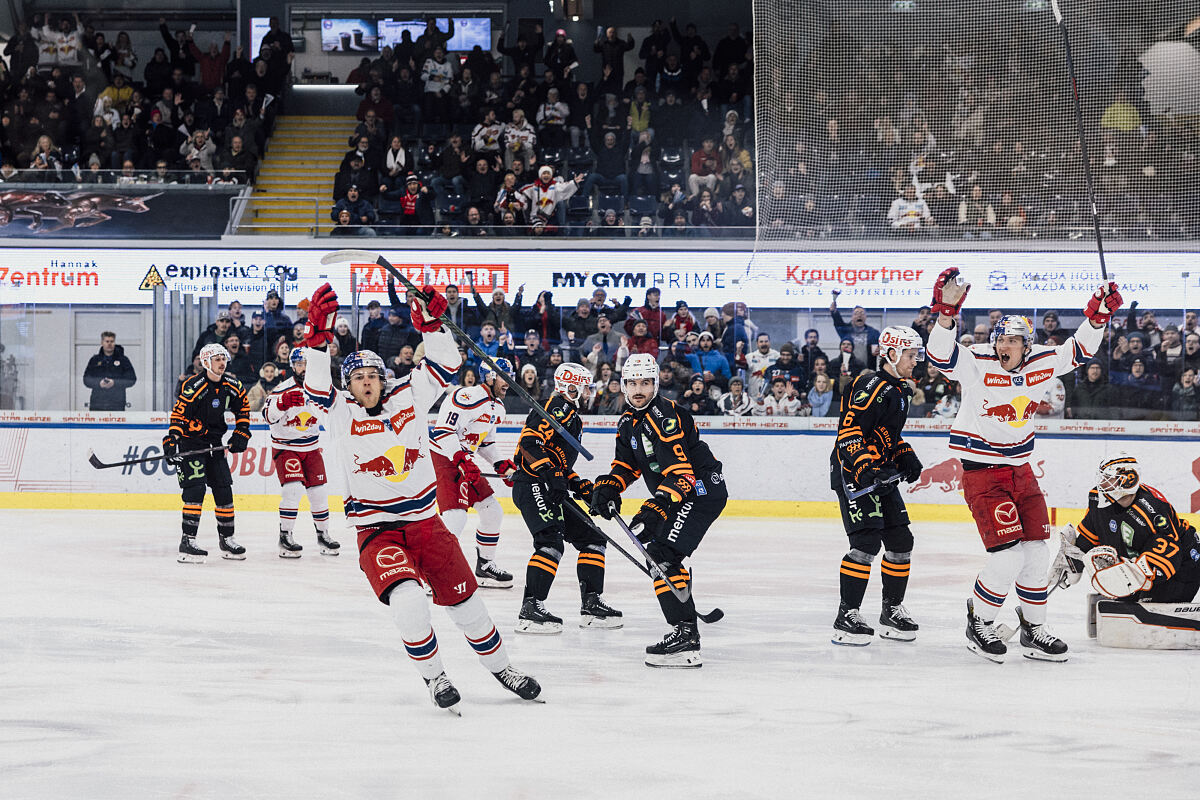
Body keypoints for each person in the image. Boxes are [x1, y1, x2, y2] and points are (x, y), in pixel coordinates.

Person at [297, 282, 540, 713]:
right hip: (377, 531)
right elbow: (316, 388)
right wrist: (316, 342)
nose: (367, 383)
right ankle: (436, 678)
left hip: (427, 522)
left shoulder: (407, 395)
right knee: (408, 600)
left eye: (372, 375)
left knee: (468, 606)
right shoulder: (339, 412)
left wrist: (432, 324)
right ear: (348, 385)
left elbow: (447, 362)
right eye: (357, 378)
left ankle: (504, 668)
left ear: (383, 378)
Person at [925, 268, 1120, 662]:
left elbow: (1079, 350)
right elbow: (940, 355)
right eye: (1002, 339)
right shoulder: (978, 361)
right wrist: (945, 313)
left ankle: (1034, 629)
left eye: (1014, 341)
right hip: (983, 472)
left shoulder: (1043, 361)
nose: (1005, 346)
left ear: (1027, 346)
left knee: (1036, 554)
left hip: (1021, 471)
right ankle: (979, 622)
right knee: (1008, 556)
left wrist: (1098, 316)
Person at [589, 353, 727, 667]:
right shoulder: (627, 420)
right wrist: (609, 485)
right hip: (681, 492)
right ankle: (684, 622)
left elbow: (683, 474)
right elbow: (625, 466)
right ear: (623, 386)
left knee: (661, 557)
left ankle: (685, 637)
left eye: (646, 382)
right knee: (662, 556)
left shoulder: (666, 417)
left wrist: (657, 508)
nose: (639, 389)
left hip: (700, 491)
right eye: (633, 382)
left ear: (656, 383)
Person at [829, 326, 926, 646]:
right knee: (866, 543)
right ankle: (847, 614)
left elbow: (885, 436)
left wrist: (904, 453)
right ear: (893, 354)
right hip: (854, 472)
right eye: (911, 355)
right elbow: (849, 433)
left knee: (901, 540)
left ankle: (891, 610)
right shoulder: (870, 385)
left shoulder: (898, 388)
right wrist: (865, 469)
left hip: (878, 470)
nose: (916, 361)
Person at [511, 361, 623, 633]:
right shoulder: (558, 408)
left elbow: (560, 468)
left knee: (593, 538)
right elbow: (527, 446)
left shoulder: (570, 414)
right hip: (532, 484)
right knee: (550, 542)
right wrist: (550, 472)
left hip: (548, 484)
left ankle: (592, 604)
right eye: (584, 388)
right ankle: (531, 609)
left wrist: (583, 487)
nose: (588, 393)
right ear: (570, 388)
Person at [1055, 453, 1200, 608]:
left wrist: (1137, 574)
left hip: (1183, 568)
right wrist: (1073, 561)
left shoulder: (1152, 510)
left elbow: (1170, 553)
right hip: (1147, 564)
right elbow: (1090, 535)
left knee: (1147, 610)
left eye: (1108, 478)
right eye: (1102, 477)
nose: (1102, 483)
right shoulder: (1099, 500)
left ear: (1128, 480)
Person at [429, 357, 519, 589]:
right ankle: (432, 573)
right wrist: (460, 460)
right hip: (444, 456)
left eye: (511, 375)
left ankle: (485, 566)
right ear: (489, 376)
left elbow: (485, 443)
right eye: (504, 375)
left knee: (492, 511)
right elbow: (443, 431)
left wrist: (500, 464)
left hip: (463, 460)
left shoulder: (497, 407)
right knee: (455, 517)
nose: (510, 380)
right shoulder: (466, 397)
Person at [164, 343, 251, 563]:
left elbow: (243, 407)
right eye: (217, 359)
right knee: (195, 490)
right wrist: (172, 439)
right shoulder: (194, 386)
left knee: (224, 490)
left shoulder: (233, 384)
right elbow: (179, 415)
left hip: (214, 444)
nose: (222, 363)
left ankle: (227, 539)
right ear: (206, 363)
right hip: (191, 444)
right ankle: (188, 541)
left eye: (224, 359)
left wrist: (241, 432)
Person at [261, 348, 338, 559]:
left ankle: (323, 535)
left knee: (319, 493)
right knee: (293, 490)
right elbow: (266, 415)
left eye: (307, 363)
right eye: (299, 364)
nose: (304, 368)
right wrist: (281, 403)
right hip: (286, 447)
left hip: (312, 447)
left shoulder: (319, 389)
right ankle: (285, 535)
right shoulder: (281, 389)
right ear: (293, 366)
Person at [83, 331, 137, 411]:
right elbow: (86, 379)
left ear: (114, 342)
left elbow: (132, 379)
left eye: (112, 341)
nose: (109, 344)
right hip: (97, 403)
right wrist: (99, 383)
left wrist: (115, 383)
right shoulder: (95, 360)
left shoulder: (123, 360)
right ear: (102, 342)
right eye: (107, 341)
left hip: (117, 403)